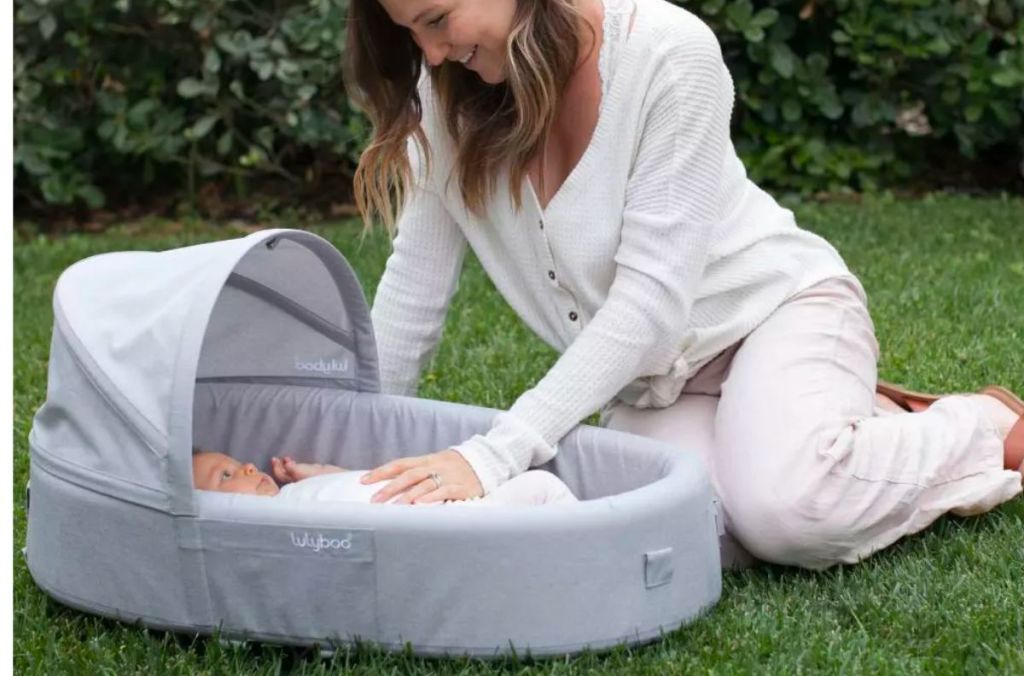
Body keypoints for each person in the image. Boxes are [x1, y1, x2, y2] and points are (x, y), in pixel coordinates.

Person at [343, 0, 1023, 568]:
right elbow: (413, 292)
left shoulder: (667, 52)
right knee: (680, 528)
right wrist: (347, 464)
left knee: (790, 514)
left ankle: (982, 427)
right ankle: (839, 426)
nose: (430, 54)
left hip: (775, 313)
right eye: (410, 34)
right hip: (652, 379)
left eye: (437, 19)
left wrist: (495, 455)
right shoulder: (445, 100)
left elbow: (647, 307)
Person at [191, 451, 577, 506]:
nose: (247, 467)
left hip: (436, 497)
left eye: (239, 462)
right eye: (226, 475)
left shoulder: (295, 492)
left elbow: (353, 481)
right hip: (432, 521)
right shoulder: (276, 522)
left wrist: (312, 472)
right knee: (544, 489)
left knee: (532, 489)